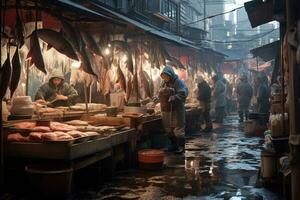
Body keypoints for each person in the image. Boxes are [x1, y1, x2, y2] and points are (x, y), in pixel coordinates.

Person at [154, 66, 188, 153]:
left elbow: (184, 92)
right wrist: (157, 98)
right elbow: (160, 93)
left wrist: (175, 97)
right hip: (166, 110)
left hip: (177, 110)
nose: (165, 78)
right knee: (168, 129)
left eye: (166, 76)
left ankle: (181, 147)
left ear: (171, 75)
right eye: (163, 76)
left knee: (178, 130)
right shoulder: (163, 83)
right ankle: (174, 145)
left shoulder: (178, 82)